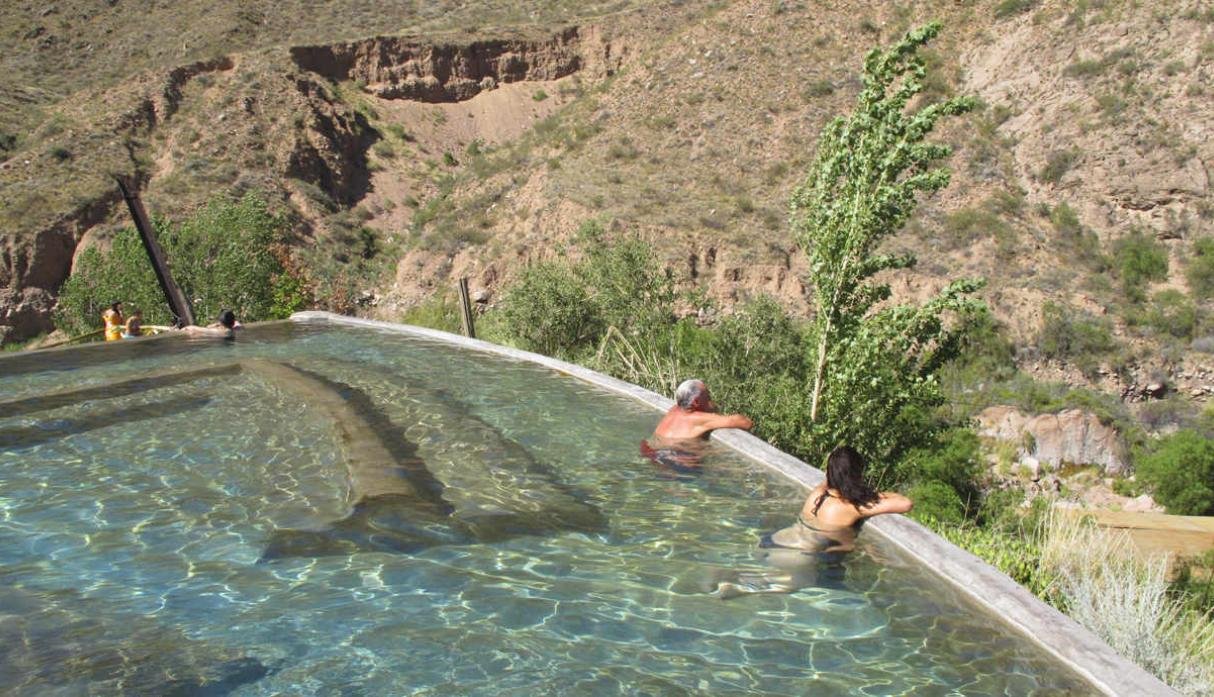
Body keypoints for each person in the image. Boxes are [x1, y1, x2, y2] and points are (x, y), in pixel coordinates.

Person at [714, 446, 913, 599]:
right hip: (798, 556)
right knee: (792, 584)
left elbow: (830, 482)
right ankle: (740, 589)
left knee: (761, 573)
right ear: (855, 475)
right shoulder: (852, 507)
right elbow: (905, 503)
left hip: (772, 540)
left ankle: (723, 577)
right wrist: (870, 493)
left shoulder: (818, 494)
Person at [640, 379, 753, 472]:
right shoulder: (698, 419)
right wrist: (712, 408)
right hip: (676, 464)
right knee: (725, 468)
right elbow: (745, 422)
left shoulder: (673, 410)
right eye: (708, 396)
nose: (710, 399)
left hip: (652, 453)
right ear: (696, 402)